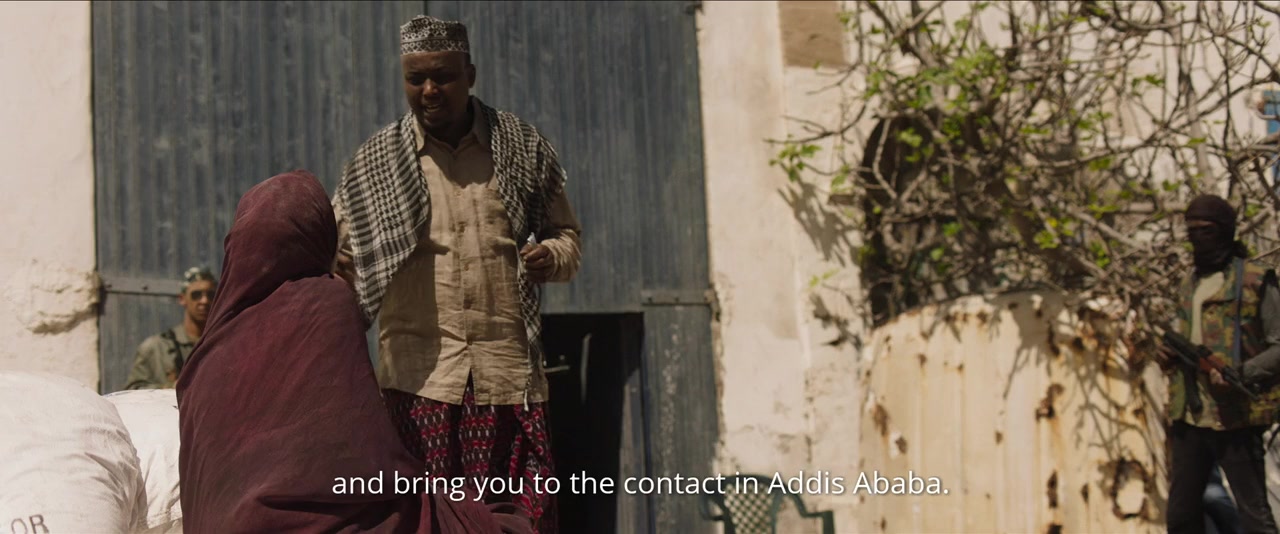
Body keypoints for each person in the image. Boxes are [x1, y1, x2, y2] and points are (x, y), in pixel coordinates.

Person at [331, 15, 582, 533]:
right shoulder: (374, 164)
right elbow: (338, 263)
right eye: (415, 78)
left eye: (442, 76)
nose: (428, 90)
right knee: (428, 523)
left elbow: (567, 238)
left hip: (510, 381)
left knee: (522, 522)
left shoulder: (522, 147)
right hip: (419, 386)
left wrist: (550, 256)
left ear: (470, 74)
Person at [175, 170, 531, 534]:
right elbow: (361, 451)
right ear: (318, 237)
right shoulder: (325, 301)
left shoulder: (205, 353)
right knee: (488, 522)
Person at [1158, 194, 1280, 534]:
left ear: (1225, 230)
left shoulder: (1255, 280)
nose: (1198, 237)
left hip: (1235, 415)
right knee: (1181, 516)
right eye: (1191, 230)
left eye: (1206, 230)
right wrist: (1166, 356)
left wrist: (1243, 373)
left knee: (1254, 516)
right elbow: (1184, 334)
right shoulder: (1190, 282)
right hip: (1190, 414)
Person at [123, 267, 217, 390]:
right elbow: (132, 392)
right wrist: (170, 388)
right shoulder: (156, 348)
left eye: (211, 295)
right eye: (196, 295)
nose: (204, 301)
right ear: (182, 299)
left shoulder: (222, 345)